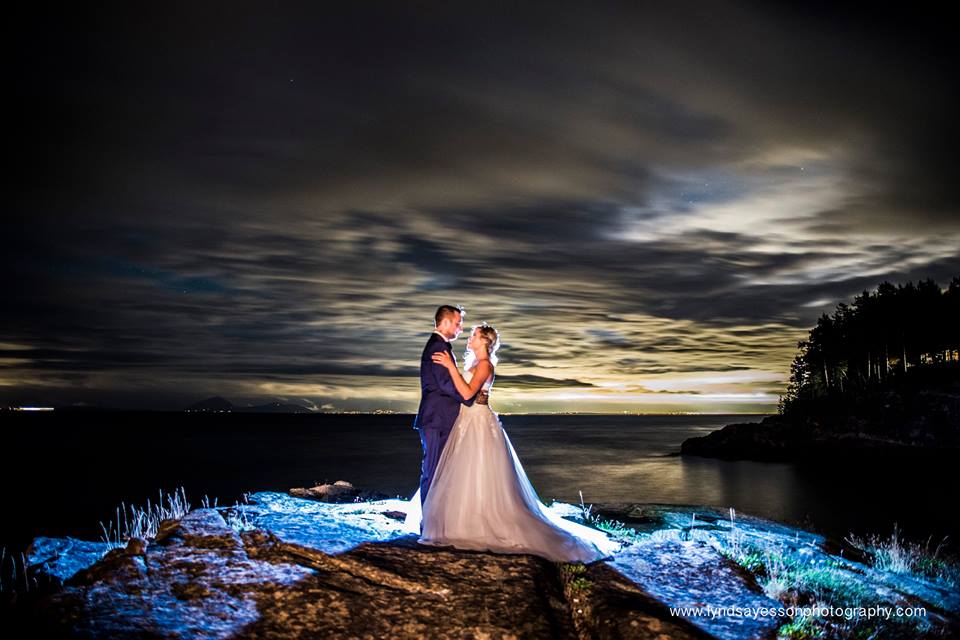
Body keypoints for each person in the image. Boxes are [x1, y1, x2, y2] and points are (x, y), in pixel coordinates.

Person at [406, 322, 620, 563]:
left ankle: (479, 523)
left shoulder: (485, 366)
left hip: (477, 423)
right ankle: (459, 519)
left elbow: (467, 394)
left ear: (485, 341)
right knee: (463, 474)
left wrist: (449, 368)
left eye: (474, 335)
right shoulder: (475, 364)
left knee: (478, 472)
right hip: (464, 423)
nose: (470, 337)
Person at [412, 305, 488, 519]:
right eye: (458, 323)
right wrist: (468, 396)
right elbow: (446, 385)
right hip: (437, 419)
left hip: (440, 418)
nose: (461, 329)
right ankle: (428, 523)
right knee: (433, 471)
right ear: (445, 322)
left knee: (439, 471)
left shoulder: (441, 346)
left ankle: (436, 519)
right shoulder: (438, 347)